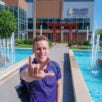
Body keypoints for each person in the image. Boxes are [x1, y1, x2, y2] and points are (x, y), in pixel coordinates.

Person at [20, 35, 62, 102]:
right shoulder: (29, 68)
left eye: (44, 48)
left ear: (48, 50)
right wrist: (31, 76)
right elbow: (23, 74)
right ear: (33, 50)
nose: (42, 52)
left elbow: (58, 85)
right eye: (38, 49)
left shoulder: (55, 66)